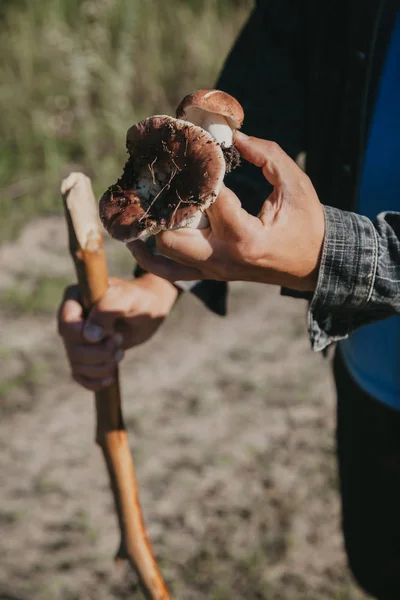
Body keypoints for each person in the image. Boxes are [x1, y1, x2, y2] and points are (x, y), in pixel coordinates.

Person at [58, 1, 400, 598]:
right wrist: (167, 278)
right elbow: (258, 102)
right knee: (380, 565)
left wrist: (332, 253)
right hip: (368, 376)